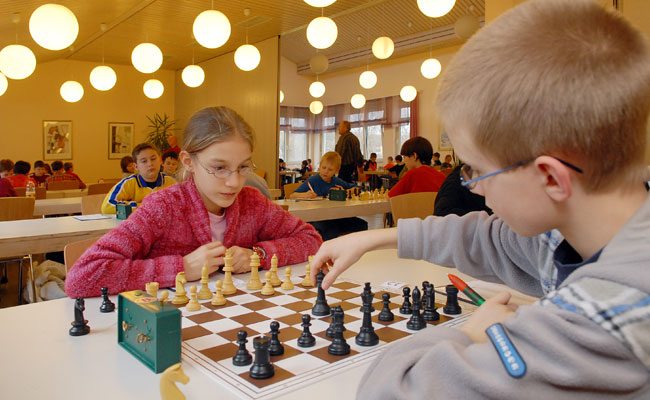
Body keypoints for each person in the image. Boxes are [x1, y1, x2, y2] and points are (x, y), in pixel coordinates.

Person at [310, 1, 650, 398]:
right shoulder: (580, 232)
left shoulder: (609, 317)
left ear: (550, 178)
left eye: (475, 170)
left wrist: (473, 334)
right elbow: (490, 240)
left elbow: (390, 392)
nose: (471, 187)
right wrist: (376, 237)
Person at [66, 106, 321, 298]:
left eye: (242, 167)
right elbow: (83, 277)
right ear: (188, 162)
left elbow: (310, 240)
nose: (234, 182)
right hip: (174, 332)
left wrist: (259, 254)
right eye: (219, 167)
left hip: (235, 320)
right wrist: (182, 267)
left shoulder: (252, 202)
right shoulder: (162, 206)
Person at [291, 151, 367, 240]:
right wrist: (305, 195)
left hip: (336, 216)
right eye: (323, 167)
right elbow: (292, 195)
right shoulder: (313, 180)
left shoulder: (336, 181)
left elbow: (357, 188)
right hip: (317, 217)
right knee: (330, 230)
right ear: (319, 166)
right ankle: (326, 251)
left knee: (361, 225)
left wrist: (347, 191)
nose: (326, 171)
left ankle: (351, 250)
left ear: (336, 170)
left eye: (330, 170)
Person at [101, 143, 176, 214]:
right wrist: (145, 206)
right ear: (136, 166)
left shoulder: (171, 182)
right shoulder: (129, 183)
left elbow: (181, 204)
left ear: (160, 161)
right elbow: (107, 206)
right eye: (144, 161)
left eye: (153, 159)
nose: (150, 164)